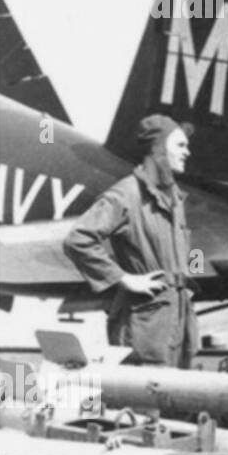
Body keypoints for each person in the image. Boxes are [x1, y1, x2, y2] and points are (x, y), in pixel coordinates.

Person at [64, 114, 199, 369]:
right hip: (145, 325)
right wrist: (123, 278)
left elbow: (185, 250)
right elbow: (77, 239)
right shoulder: (126, 194)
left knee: (181, 401)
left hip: (180, 320)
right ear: (157, 148)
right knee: (144, 405)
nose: (188, 152)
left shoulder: (175, 198)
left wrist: (188, 280)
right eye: (180, 145)